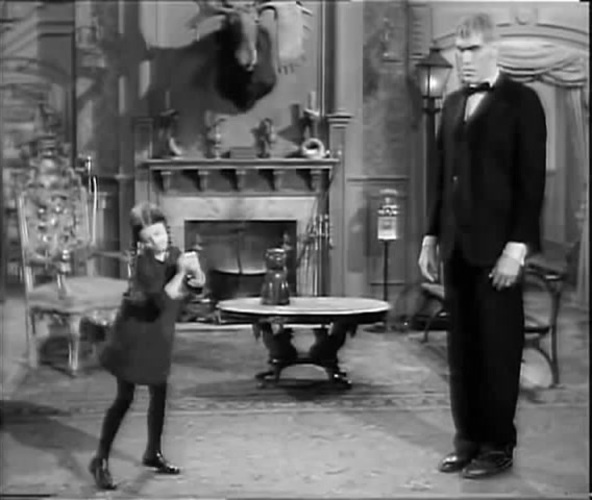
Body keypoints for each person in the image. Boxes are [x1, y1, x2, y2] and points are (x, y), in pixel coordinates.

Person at [418, 13, 547, 479]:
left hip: (498, 252)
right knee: (463, 353)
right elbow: (441, 177)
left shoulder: (522, 102)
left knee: (497, 352)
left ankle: (497, 445)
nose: (464, 59)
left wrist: (517, 248)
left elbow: (530, 182)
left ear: (494, 50)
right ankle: (468, 440)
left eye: (472, 49)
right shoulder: (453, 103)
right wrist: (431, 236)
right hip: (456, 247)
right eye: (459, 50)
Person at [89, 202, 205, 490]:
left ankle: (153, 452)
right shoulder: (143, 264)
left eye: (159, 233)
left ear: (167, 230)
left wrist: (196, 272)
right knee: (125, 398)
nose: (157, 241)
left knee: (160, 393)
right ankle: (100, 459)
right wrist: (181, 273)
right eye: (149, 238)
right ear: (141, 241)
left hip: (160, 335)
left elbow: (196, 288)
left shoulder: (175, 255)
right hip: (134, 337)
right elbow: (163, 299)